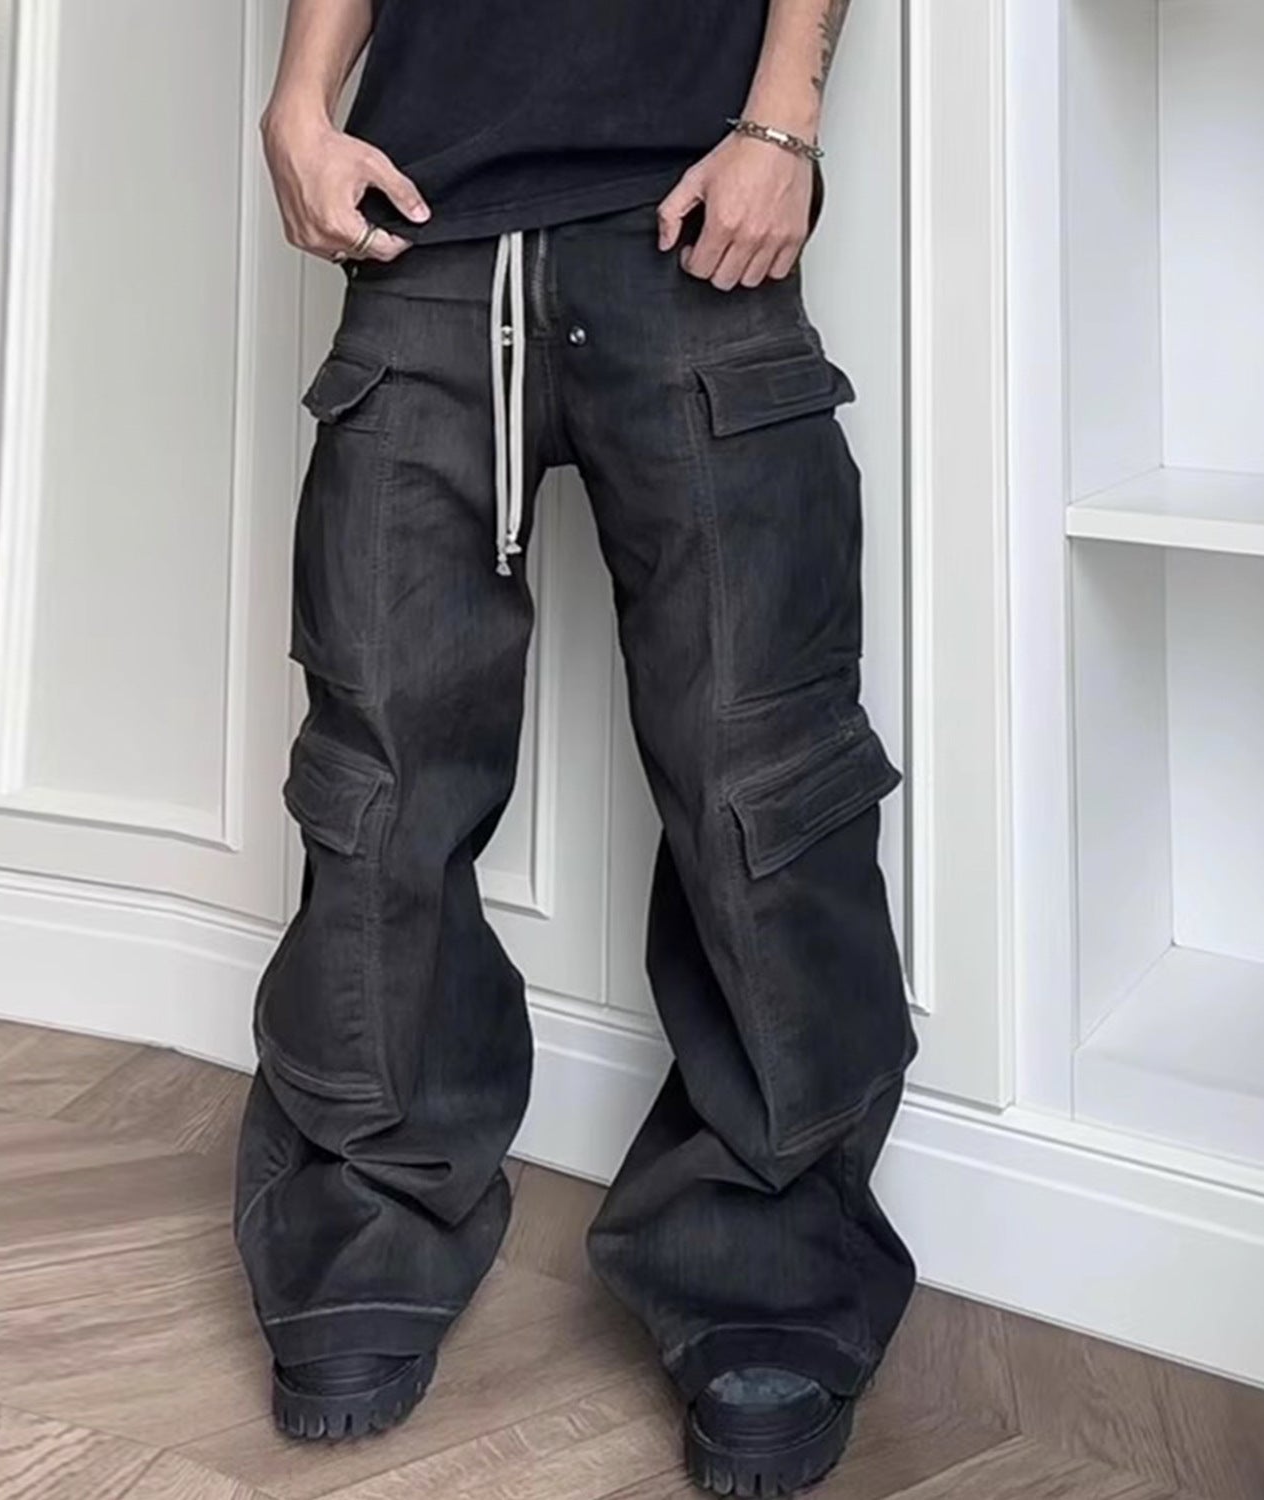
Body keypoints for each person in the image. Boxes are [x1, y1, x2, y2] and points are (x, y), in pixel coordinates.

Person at [233, 2, 919, 1493]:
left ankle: (770, 1266)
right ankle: (363, 1226)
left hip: (689, 226)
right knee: (377, 774)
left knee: (763, 780)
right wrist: (299, 100)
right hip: (425, 236)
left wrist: (783, 123)